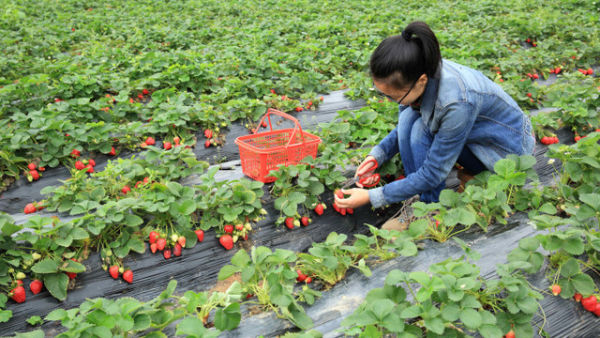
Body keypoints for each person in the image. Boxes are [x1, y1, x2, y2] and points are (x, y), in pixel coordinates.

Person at [334, 21, 535, 212]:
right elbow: (402, 127)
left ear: (421, 81)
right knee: (408, 120)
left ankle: (430, 208)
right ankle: (420, 197)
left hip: (502, 152)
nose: (390, 101)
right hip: (474, 135)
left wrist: (373, 197)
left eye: (393, 96)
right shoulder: (418, 69)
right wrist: (377, 155)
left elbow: (433, 173)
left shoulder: (456, 103)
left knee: (420, 132)